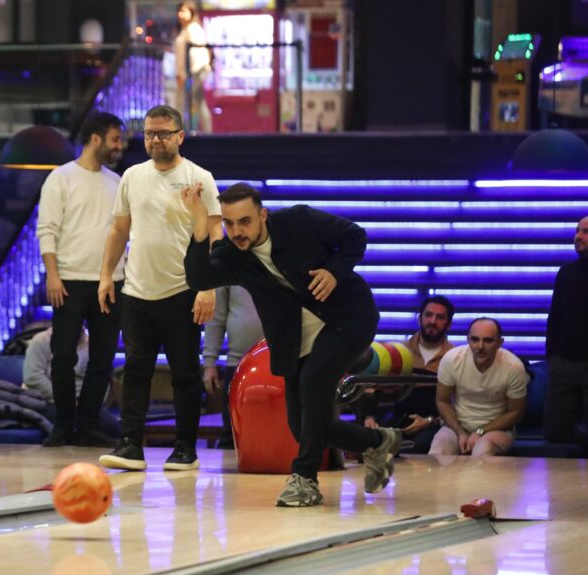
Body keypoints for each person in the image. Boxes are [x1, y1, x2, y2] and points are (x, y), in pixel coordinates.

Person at [182, 182, 400, 507]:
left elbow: (354, 236)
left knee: (314, 380)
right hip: (295, 339)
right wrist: (200, 227)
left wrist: (334, 271)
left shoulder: (298, 221)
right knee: (301, 427)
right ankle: (378, 441)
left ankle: (305, 480)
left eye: (245, 221)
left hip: (347, 319)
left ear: (263, 215)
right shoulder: (233, 255)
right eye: (229, 223)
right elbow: (199, 279)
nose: (237, 231)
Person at [98, 104, 222, 472]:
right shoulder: (132, 176)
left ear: (180, 136)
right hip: (137, 291)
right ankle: (130, 445)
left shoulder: (199, 177)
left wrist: (208, 287)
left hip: (183, 291)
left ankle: (185, 448)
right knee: (136, 370)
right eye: (150, 133)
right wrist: (106, 275)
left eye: (163, 133)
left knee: (185, 373)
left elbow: (216, 235)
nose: (155, 139)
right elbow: (119, 230)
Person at [36, 112, 125, 447]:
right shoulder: (61, 178)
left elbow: (123, 232)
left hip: (110, 281)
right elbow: (47, 229)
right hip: (69, 280)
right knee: (62, 357)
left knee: (102, 360)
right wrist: (52, 275)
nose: (119, 146)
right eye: (115, 139)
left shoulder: (117, 182)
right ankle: (63, 425)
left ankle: (88, 425)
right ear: (95, 139)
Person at [362, 295, 455, 454]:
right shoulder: (399, 352)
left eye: (440, 317)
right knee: (372, 444)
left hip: (433, 423)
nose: (432, 321)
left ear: (449, 324)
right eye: (428, 315)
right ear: (420, 318)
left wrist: (429, 421)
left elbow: (459, 405)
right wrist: (369, 417)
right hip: (398, 418)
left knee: (418, 449)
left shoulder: (455, 357)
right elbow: (374, 388)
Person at [431, 317, 528, 456]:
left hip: (497, 430)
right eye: (475, 340)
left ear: (499, 343)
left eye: (488, 340)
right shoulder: (452, 359)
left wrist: (480, 431)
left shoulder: (514, 367)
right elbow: (442, 401)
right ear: (468, 339)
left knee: (482, 451)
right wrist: (460, 432)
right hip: (456, 427)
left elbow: (516, 413)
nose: (480, 346)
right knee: (438, 451)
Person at [22, 326, 121, 439]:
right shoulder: (41, 340)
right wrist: (67, 400)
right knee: (74, 421)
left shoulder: (94, 343)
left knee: (111, 427)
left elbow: (102, 376)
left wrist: (91, 402)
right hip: (48, 401)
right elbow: (33, 377)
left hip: (85, 403)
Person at [543, 216, 588, 449]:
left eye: (585, 232)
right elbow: (555, 316)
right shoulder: (566, 273)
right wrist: (553, 357)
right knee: (555, 432)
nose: (578, 236)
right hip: (564, 363)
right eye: (577, 230)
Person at [202, 285, 263, 449]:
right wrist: (209, 363)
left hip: (278, 364)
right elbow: (216, 319)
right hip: (237, 364)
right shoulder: (228, 269)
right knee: (231, 434)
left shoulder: (285, 268)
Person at [173, 1, 212, 133]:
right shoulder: (185, 30)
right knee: (195, 103)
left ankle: (196, 133)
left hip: (194, 72)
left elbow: (196, 54)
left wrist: (185, 74)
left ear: (191, 12)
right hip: (189, 73)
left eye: (184, 11)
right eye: (179, 11)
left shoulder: (193, 28)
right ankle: (201, 132)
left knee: (193, 103)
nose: (181, 14)